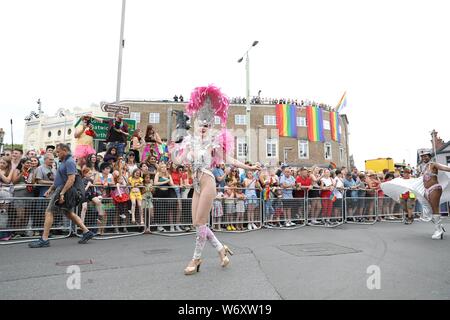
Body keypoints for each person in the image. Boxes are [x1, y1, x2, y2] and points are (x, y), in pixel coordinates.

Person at [169, 85, 260, 275]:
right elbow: (178, 161)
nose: (204, 128)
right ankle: (220, 249)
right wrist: (171, 151)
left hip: (208, 182)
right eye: (201, 124)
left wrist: (249, 167)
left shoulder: (214, 143)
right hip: (196, 185)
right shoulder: (189, 143)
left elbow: (229, 159)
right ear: (195, 124)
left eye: (208, 125)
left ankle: (196, 259)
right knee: (198, 223)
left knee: (201, 221)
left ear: (211, 127)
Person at [29, 144, 96, 248]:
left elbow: (71, 179)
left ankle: (44, 239)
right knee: (68, 213)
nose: (57, 154)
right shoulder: (64, 162)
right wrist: (50, 189)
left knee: (49, 211)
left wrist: (62, 193)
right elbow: (58, 179)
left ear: (65, 150)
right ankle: (86, 231)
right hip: (62, 189)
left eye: (58, 152)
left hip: (64, 190)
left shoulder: (69, 162)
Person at [382, 150, 450, 239]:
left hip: (434, 188)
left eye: (426, 156)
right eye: (422, 156)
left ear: (429, 156)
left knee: (434, 208)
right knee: (428, 209)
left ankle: (438, 230)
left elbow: (446, 168)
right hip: (426, 190)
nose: (424, 158)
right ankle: (439, 227)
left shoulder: (433, 164)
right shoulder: (424, 168)